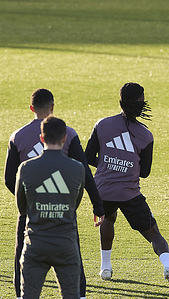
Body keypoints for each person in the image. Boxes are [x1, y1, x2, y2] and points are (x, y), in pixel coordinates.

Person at [85, 82, 169, 288]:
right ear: (143, 103)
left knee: (108, 218)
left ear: (120, 102)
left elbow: (87, 156)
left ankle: (105, 268)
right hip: (130, 193)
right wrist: (127, 164)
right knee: (154, 234)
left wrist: (108, 162)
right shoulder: (146, 135)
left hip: (103, 190)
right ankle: (168, 267)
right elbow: (145, 172)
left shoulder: (102, 125)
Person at [4, 88, 104, 299]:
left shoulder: (17, 136)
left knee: (23, 260)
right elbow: (85, 173)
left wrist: (31, 201)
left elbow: (8, 179)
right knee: (71, 263)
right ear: (52, 107)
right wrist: (98, 205)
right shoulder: (69, 133)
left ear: (32, 108)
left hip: (32, 215)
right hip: (63, 216)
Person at [16, 116, 85, 298]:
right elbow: (74, 203)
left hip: (35, 243)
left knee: (28, 295)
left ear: (41, 138)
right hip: (65, 244)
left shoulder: (26, 167)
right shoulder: (77, 168)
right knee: (71, 295)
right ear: (64, 138)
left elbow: (21, 207)